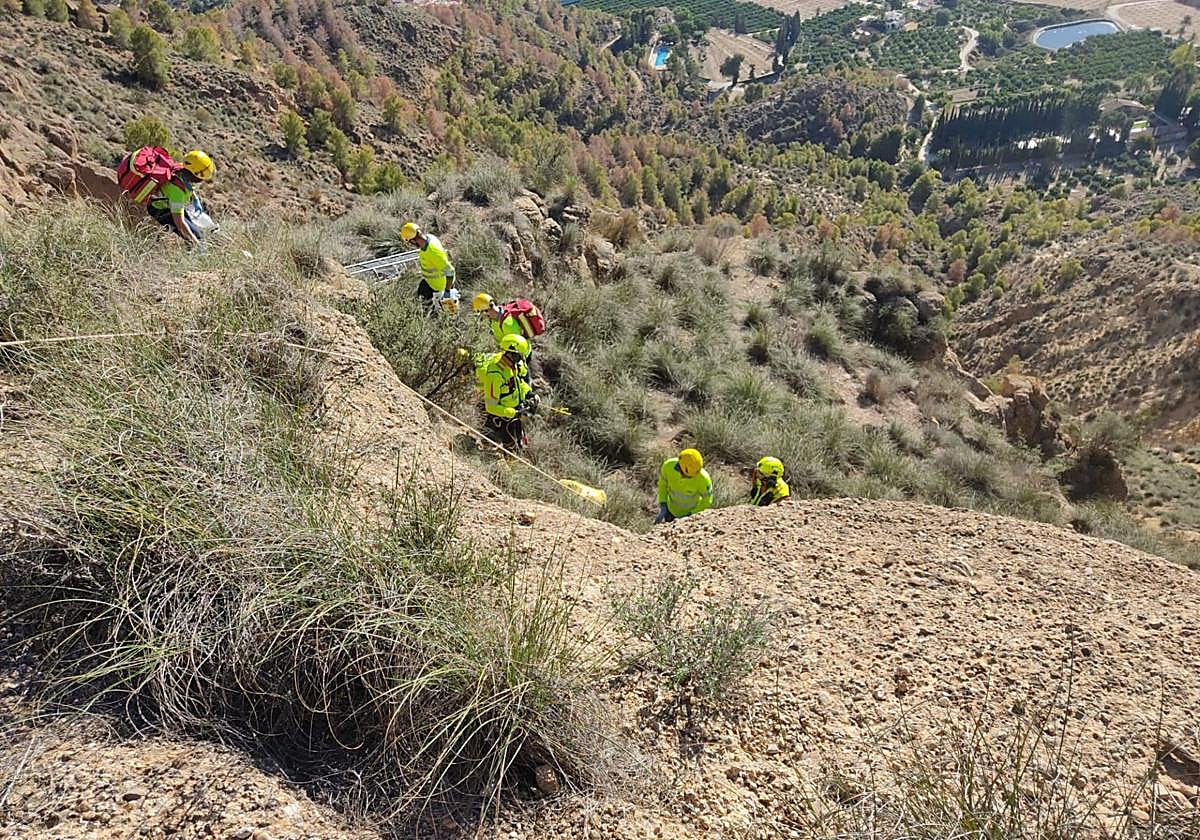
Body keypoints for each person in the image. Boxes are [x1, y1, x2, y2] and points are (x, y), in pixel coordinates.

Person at [147, 150, 214, 249]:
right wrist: (196, 243)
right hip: (160, 210)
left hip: (169, 204)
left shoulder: (180, 169)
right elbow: (180, 223)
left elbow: (185, 185)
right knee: (197, 236)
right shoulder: (177, 192)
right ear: (195, 174)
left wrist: (194, 197)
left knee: (195, 231)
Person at [477, 333, 533, 450]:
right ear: (509, 353)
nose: (520, 361)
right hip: (501, 420)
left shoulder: (513, 366)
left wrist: (529, 394)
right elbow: (491, 407)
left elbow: (518, 383)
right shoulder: (495, 375)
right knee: (498, 448)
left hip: (514, 414)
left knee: (517, 446)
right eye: (518, 357)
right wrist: (514, 413)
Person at [400, 221, 456, 309]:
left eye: (410, 242)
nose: (411, 245)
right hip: (429, 283)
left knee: (447, 315)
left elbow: (450, 271)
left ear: (413, 240)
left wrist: (447, 292)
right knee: (424, 305)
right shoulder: (429, 237)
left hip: (440, 288)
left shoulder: (433, 252)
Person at [655, 448, 713, 524]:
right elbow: (662, 486)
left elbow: (707, 501)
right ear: (679, 467)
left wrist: (691, 515)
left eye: (690, 477)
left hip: (690, 517)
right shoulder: (668, 467)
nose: (687, 478)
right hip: (670, 511)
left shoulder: (703, 479)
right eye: (686, 475)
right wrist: (663, 505)